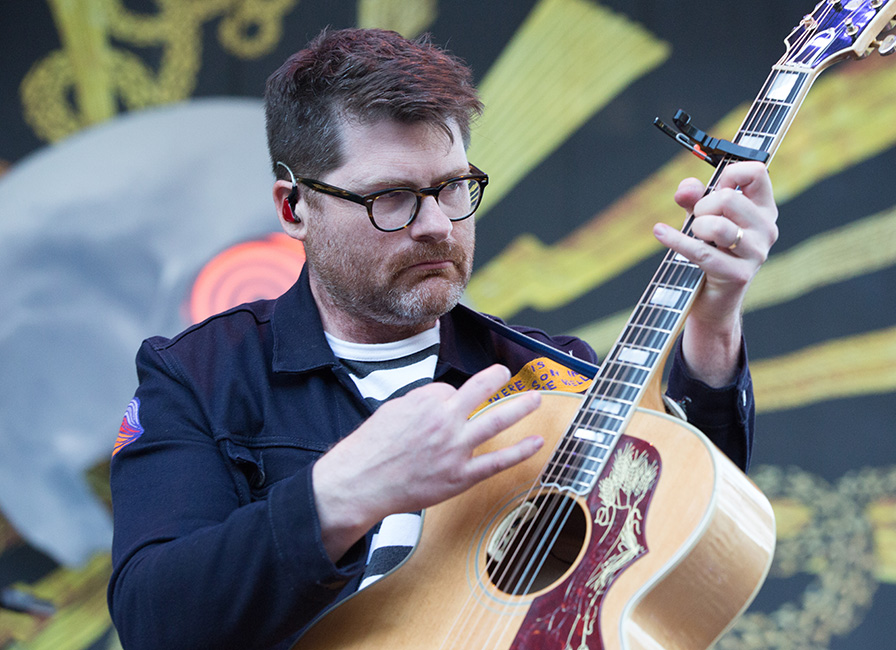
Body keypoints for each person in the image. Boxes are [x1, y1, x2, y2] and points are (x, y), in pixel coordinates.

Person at [107, 27, 778, 650]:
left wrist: (715, 321)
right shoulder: (198, 376)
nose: (436, 224)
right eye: (391, 197)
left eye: (453, 187)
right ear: (294, 207)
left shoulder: (550, 377)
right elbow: (153, 620)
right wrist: (342, 492)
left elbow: (692, 524)